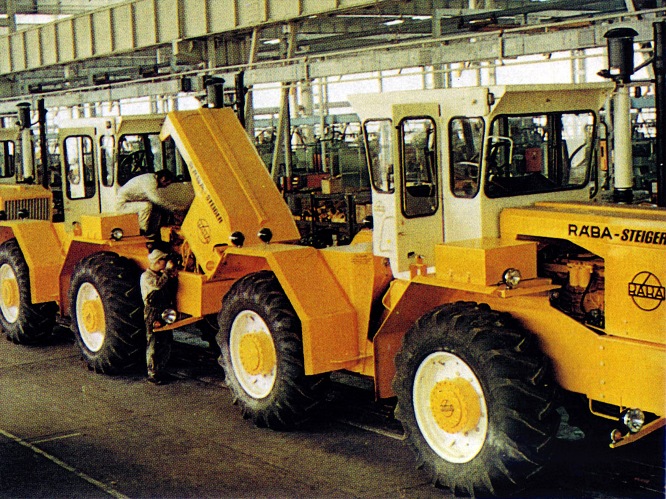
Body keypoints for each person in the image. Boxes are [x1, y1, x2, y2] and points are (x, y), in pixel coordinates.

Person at [140, 248, 178, 384]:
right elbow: (158, 285)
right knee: (154, 342)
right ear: (157, 262)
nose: (165, 262)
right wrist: (167, 271)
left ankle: (161, 370)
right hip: (153, 312)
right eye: (163, 260)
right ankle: (153, 373)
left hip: (163, 310)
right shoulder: (146, 276)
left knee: (166, 342)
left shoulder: (160, 274)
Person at [116, 170, 182, 236]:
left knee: (155, 208)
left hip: (129, 202)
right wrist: (175, 208)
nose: (165, 186)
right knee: (146, 206)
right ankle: (143, 231)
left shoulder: (150, 178)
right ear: (163, 178)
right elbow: (156, 200)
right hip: (122, 205)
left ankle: (153, 232)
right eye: (166, 184)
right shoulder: (150, 181)